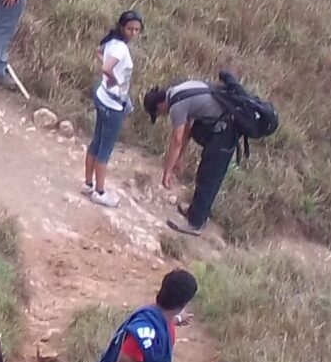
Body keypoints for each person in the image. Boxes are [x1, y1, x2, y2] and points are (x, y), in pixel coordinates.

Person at [147, 77, 232, 235]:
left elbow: (177, 140)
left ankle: (196, 224)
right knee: (205, 173)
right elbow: (186, 131)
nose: (162, 116)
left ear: (159, 106)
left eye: (158, 114)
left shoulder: (176, 106)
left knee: (209, 177)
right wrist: (179, 159)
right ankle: (195, 213)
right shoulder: (179, 91)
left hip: (226, 130)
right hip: (222, 126)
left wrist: (167, 172)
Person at [82, 12, 142, 209]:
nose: (133, 33)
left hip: (102, 96)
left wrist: (109, 76)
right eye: (130, 29)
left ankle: (88, 184)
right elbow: (107, 68)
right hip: (113, 104)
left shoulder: (112, 42)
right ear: (122, 28)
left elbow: (98, 51)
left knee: (96, 141)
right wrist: (114, 79)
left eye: (137, 29)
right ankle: (99, 192)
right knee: (105, 149)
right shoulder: (122, 49)